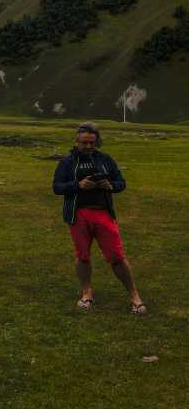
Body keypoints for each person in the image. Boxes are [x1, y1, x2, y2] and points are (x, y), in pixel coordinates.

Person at [52, 122, 146, 314]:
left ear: (97, 142)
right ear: (76, 141)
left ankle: (134, 296)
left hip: (103, 212)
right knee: (83, 256)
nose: (88, 147)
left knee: (117, 257)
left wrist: (110, 185)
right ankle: (87, 293)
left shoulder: (105, 159)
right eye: (84, 143)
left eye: (92, 143)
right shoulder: (67, 162)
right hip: (77, 214)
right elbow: (57, 187)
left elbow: (121, 183)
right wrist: (78, 185)